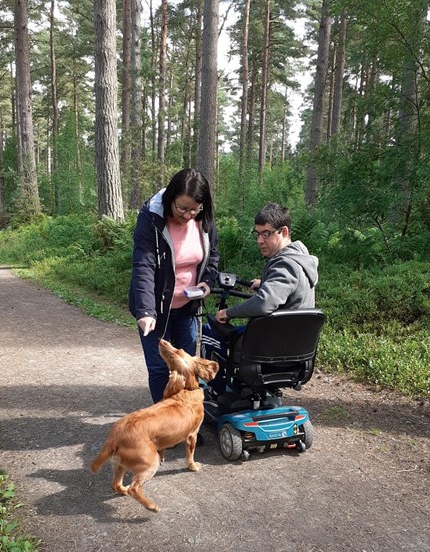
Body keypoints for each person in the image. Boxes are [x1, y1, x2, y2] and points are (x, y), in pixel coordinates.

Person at [207, 202, 318, 394]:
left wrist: (229, 312)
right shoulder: (300, 259)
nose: (260, 240)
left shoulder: (285, 265)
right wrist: (266, 282)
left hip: (272, 346)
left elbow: (265, 303)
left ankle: (218, 392)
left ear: (283, 232)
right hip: (293, 344)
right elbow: (288, 286)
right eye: (257, 234)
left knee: (211, 330)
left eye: (266, 233)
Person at [129, 168, 220, 403]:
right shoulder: (151, 218)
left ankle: (186, 420)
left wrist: (207, 283)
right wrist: (146, 311)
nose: (188, 215)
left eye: (194, 209)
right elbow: (144, 265)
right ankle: (165, 426)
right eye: (182, 208)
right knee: (160, 368)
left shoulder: (203, 220)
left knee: (188, 365)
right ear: (170, 199)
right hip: (156, 309)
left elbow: (212, 257)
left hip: (188, 307)